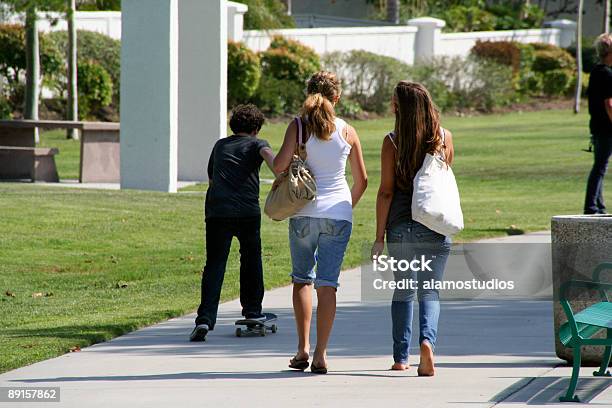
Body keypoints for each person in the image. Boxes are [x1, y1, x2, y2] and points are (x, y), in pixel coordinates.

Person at [273, 71, 368, 373]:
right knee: (328, 285)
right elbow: (362, 180)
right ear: (337, 97)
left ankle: (301, 349)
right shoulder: (347, 132)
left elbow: (278, 167)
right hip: (338, 214)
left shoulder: (298, 128)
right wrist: (343, 208)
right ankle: (321, 354)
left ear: (308, 93)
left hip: (303, 214)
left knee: (302, 279)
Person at [371, 81, 453, 376]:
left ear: (399, 107)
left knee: (403, 290)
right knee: (430, 291)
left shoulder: (391, 142)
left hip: (401, 226)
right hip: (433, 225)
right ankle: (427, 343)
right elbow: (442, 179)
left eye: (393, 101)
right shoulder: (444, 138)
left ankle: (400, 357)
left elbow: (386, 192)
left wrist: (379, 237)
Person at [190, 104, 276, 342]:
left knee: (215, 265)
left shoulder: (220, 145)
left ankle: (205, 320)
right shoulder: (258, 144)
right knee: (251, 260)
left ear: (233, 125)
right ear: (256, 128)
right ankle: (252, 311)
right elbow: (273, 161)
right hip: (248, 212)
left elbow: (211, 177)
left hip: (217, 212)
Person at [584, 33, 612, 215]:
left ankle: (599, 206)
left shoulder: (596, 71)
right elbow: (609, 104)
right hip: (607, 127)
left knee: (600, 165)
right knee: (600, 167)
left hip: (597, 125)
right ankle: (591, 206)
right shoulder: (608, 74)